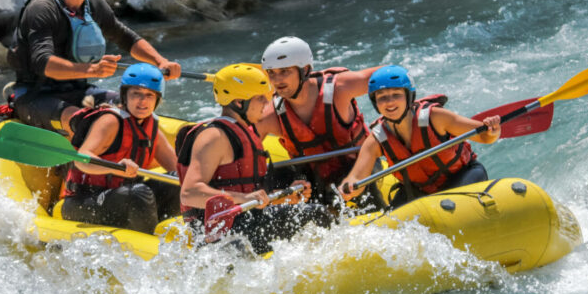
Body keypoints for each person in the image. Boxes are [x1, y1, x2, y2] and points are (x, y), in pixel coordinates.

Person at [6, 0, 181, 131]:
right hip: (35, 95)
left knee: (135, 110)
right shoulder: (42, 8)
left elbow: (125, 37)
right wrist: (91, 70)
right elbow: (42, 62)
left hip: (79, 92)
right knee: (83, 121)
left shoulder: (95, 4)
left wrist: (160, 61)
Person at [175, 63, 332, 255]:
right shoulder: (214, 136)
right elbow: (189, 193)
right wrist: (244, 199)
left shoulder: (245, 132)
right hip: (220, 232)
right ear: (239, 103)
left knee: (301, 194)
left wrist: (283, 197)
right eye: (260, 98)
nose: (267, 104)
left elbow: (248, 192)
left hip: (245, 222)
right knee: (316, 214)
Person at [339, 65, 502, 209]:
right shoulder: (376, 139)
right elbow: (356, 178)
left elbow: (485, 137)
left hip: (462, 177)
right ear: (375, 103)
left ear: (409, 96)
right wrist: (349, 187)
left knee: (447, 205)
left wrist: (493, 130)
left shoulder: (435, 118)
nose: (389, 102)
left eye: (396, 94)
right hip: (419, 190)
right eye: (382, 97)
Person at [253, 36, 381, 207]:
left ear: (305, 70)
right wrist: (276, 194)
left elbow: (392, 76)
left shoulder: (340, 88)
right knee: (277, 172)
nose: (277, 81)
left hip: (359, 168)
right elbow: (245, 157)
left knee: (353, 177)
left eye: (284, 71)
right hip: (310, 179)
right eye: (272, 73)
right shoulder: (269, 116)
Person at [59, 63, 180, 234]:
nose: (143, 101)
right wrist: (115, 168)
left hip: (125, 198)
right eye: (136, 94)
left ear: (157, 99)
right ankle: (150, 244)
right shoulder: (111, 121)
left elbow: (178, 168)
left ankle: (174, 233)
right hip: (84, 200)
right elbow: (82, 159)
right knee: (138, 193)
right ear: (124, 96)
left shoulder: (151, 126)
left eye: (149, 95)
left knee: (178, 180)